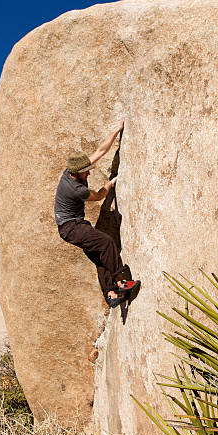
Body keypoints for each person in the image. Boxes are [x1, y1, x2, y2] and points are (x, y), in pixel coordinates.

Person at [54, 119, 140, 308]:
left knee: (101, 257)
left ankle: (111, 294)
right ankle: (121, 281)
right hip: (71, 227)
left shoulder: (72, 169)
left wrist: (116, 130)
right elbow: (99, 195)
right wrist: (110, 184)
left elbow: (100, 151)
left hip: (74, 225)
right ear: (76, 174)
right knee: (107, 243)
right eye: (86, 173)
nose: (89, 174)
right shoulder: (76, 189)